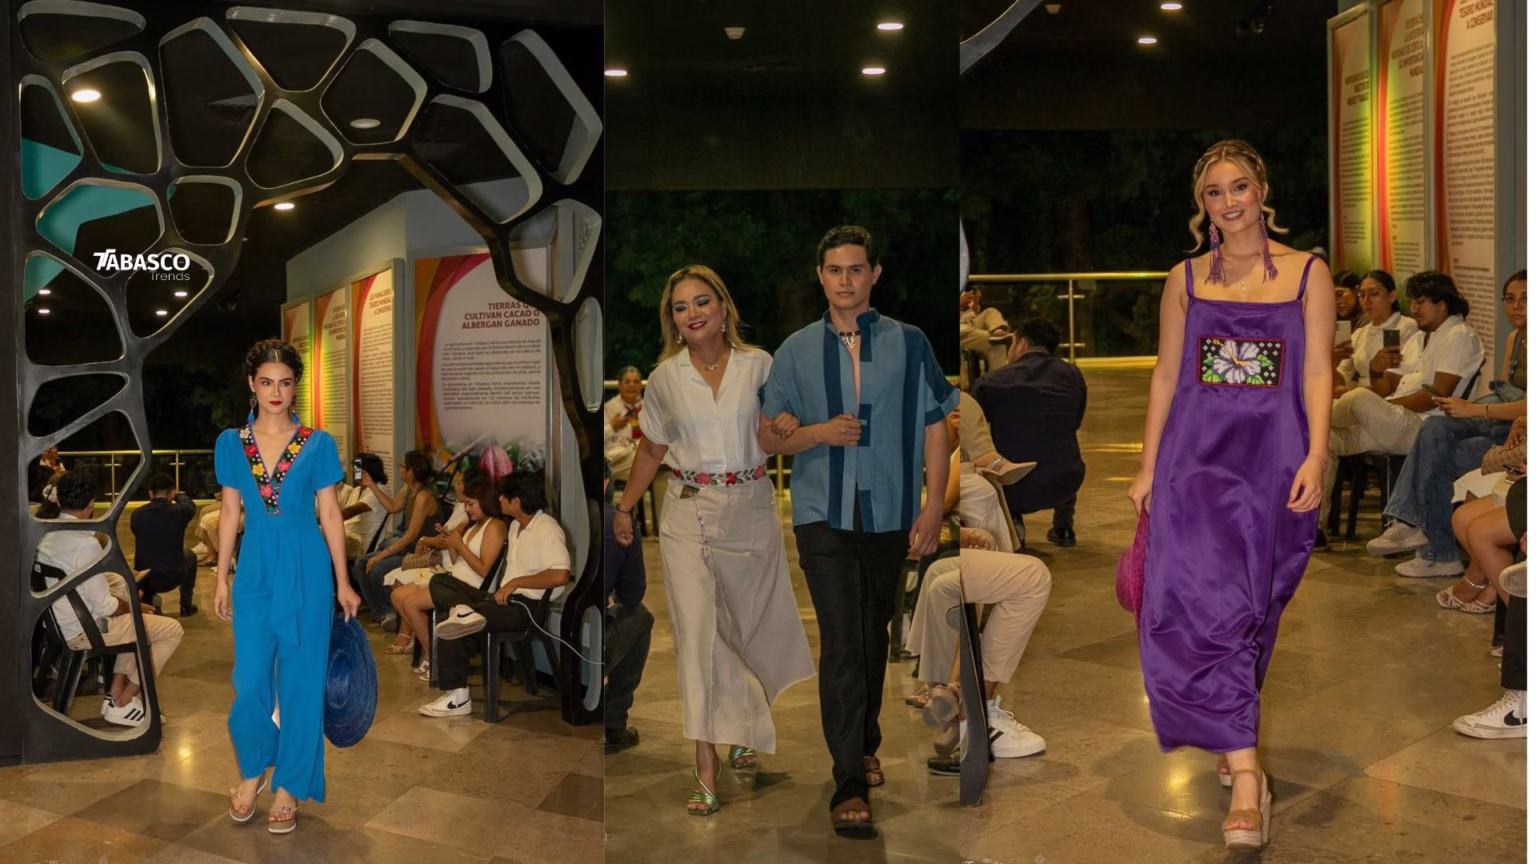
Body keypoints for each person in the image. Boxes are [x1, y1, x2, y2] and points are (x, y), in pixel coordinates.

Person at [1128, 140, 1333, 851]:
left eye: (1238, 187)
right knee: (1204, 607)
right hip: (1194, 465)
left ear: (1262, 190)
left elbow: (1317, 371)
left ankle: (1228, 722)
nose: (1228, 202)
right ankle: (1248, 779)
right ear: (1202, 206)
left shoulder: (1309, 272)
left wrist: (1316, 454)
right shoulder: (1184, 278)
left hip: (1273, 464)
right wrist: (1148, 467)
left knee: (1256, 608)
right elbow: (1165, 375)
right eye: (1213, 192)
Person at [759, 225, 957, 837]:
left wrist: (932, 507)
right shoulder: (794, 350)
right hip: (822, 515)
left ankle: (865, 741)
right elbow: (767, 436)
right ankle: (848, 779)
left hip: (892, 513)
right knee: (843, 641)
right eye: (834, 270)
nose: (845, 280)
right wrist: (815, 433)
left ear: (874, 274)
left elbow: (936, 425)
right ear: (819, 276)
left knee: (873, 635)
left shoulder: (910, 342)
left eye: (855, 269)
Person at [611, 264, 813, 816]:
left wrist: (791, 425)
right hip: (688, 512)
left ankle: (744, 718)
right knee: (698, 633)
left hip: (752, 509)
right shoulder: (665, 378)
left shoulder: (761, 365)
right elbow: (651, 450)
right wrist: (625, 509)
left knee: (745, 628)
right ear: (672, 320)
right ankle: (705, 760)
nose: (693, 313)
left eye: (702, 301)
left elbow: (781, 430)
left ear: (723, 307)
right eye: (681, 307)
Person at [215, 339, 362, 833]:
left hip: (307, 564)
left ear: (295, 386)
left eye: (285, 382)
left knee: (302, 681)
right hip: (255, 566)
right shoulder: (231, 442)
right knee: (250, 680)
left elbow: (330, 514)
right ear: (251, 385)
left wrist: (344, 582)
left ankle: (290, 785)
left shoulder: (318, 443)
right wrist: (220, 576)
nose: (275, 392)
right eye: (266, 382)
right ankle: (253, 768)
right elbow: (230, 512)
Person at [1368, 271, 1526, 578]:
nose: (1516, 306)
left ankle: (1438, 552)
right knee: (1435, 428)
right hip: (1500, 420)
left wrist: (1476, 410)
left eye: (1525, 299)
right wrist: (1479, 410)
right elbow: (1507, 389)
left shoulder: (1459, 335)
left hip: (1518, 434)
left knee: (1443, 455)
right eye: (1510, 299)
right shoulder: (1514, 339)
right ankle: (1408, 523)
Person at [1317, 270, 1486, 542]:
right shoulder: (1422, 337)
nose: (1414, 308)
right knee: (1324, 441)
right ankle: (1314, 528)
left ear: (1442, 303)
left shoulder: (1459, 335)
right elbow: (1386, 387)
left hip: (1425, 429)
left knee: (1358, 397)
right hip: (1393, 422)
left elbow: (1436, 394)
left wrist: (1384, 405)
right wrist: (1376, 370)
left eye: (1420, 301)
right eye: (1413, 302)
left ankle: (1308, 417)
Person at [38, 469, 184, 726]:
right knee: (171, 630)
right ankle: (126, 699)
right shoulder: (86, 543)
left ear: (59, 501)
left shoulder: (45, 536)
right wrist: (135, 606)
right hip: (85, 629)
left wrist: (132, 609)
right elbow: (105, 606)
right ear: (91, 504)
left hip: (58, 625)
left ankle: (114, 696)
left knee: (137, 623)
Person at [420, 471, 570, 717]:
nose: (499, 499)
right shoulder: (516, 527)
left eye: (504, 496)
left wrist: (515, 583)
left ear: (516, 502)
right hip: (502, 602)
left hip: (526, 608)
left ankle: (457, 698)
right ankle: (463, 612)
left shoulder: (546, 528)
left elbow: (560, 575)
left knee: (453, 624)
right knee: (441, 584)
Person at [971, 315, 1088, 547]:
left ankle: (1014, 524)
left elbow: (974, 434)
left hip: (1016, 485)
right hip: (1066, 480)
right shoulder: (1073, 375)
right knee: (1060, 446)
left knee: (988, 459)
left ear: (1021, 344)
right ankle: (1064, 526)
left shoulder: (990, 382)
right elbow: (1075, 422)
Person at [383, 475, 507, 658]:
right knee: (397, 595)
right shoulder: (474, 526)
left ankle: (431, 656)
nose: (467, 509)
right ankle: (430, 652)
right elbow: (459, 563)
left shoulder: (495, 526)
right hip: (454, 579)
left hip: (472, 587)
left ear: (485, 501)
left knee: (410, 603)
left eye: (470, 504)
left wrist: (460, 546)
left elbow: (484, 570)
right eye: (466, 504)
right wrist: (452, 545)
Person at [353, 451, 439, 630]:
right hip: (405, 545)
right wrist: (371, 485)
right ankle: (384, 613)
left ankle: (394, 612)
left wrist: (379, 556)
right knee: (361, 563)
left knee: (377, 569)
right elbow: (392, 507)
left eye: (402, 466)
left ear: (411, 472)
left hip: (418, 550)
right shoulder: (408, 489)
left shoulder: (423, 497)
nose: (399, 468)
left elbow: (411, 536)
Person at [603, 459, 652, 755]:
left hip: (547, 634)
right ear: (606, 483)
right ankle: (612, 724)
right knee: (641, 618)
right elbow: (632, 595)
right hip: (589, 643)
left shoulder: (552, 519)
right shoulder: (618, 523)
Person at [1332, 270, 1417, 396]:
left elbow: (1392, 382)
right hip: (1358, 395)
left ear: (1392, 296)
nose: (1366, 301)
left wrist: (1352, 392)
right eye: (1362, 295)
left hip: (1389, 397)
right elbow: (1341, 380)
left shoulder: (1405, 327)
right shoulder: (1359, 334)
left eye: (1374, 294)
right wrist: (1332, 362)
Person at [129, 473, 199, 616]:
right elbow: (190, 504)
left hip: (144, 578)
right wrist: (178, 496)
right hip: (172, 575)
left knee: (149, 557)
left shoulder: (137, 515)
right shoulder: (180, 512)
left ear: (150, 493)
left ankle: (148, 600)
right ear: (172, 493)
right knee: (190, 555)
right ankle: (186, 605)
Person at [341, 453, 393, 560]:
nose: (352, 471)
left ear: (366, 472)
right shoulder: (358, 490)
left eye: (356, 469)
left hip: (365, 545)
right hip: (352, 538)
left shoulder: (379, 490)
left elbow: (350, 512)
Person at [604, 366, 645, 484]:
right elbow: (595, 441)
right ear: (619, 385)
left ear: (640, 385)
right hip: (614, 459)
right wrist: (612, 427)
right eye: (627, 382)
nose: (632, 385)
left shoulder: (647, 407)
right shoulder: (609, 407)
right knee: (651, 464)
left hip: (637, 455)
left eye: (635, 382)